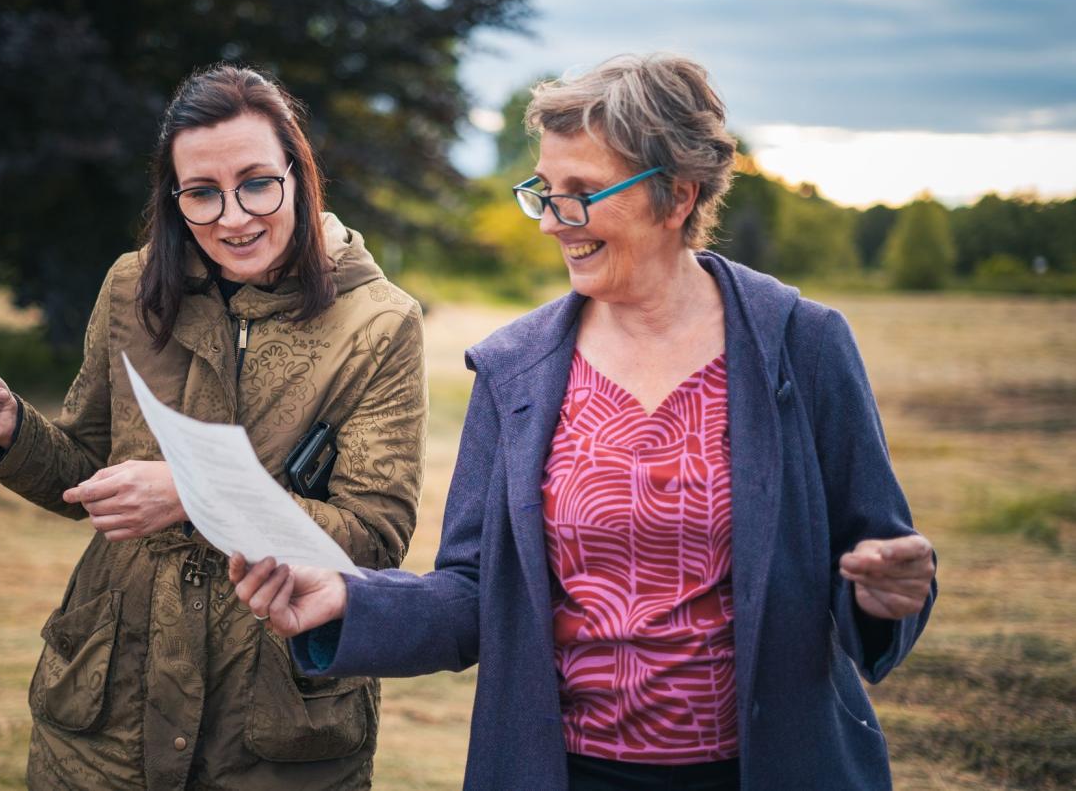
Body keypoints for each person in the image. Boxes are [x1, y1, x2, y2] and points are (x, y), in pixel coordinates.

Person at [230, 54, 936, 791]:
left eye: (583, 193)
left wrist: (885, 595)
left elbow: (880, 559)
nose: (552, 222)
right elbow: (475, 592)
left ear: (678, 196)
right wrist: (350, 598)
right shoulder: (515, 367)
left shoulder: (802, 345)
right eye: (545, 192)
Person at [0, 65, 427, 790]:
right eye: (201, 193)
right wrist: (12, 433)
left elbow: (371, 536)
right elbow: (91, 474)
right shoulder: (131, 287)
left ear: (298, 173)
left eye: (257, 182)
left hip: (277, 725)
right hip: (106, 715)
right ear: (174, 198)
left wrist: (197, 496)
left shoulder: (379, 323)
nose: (233, 216)